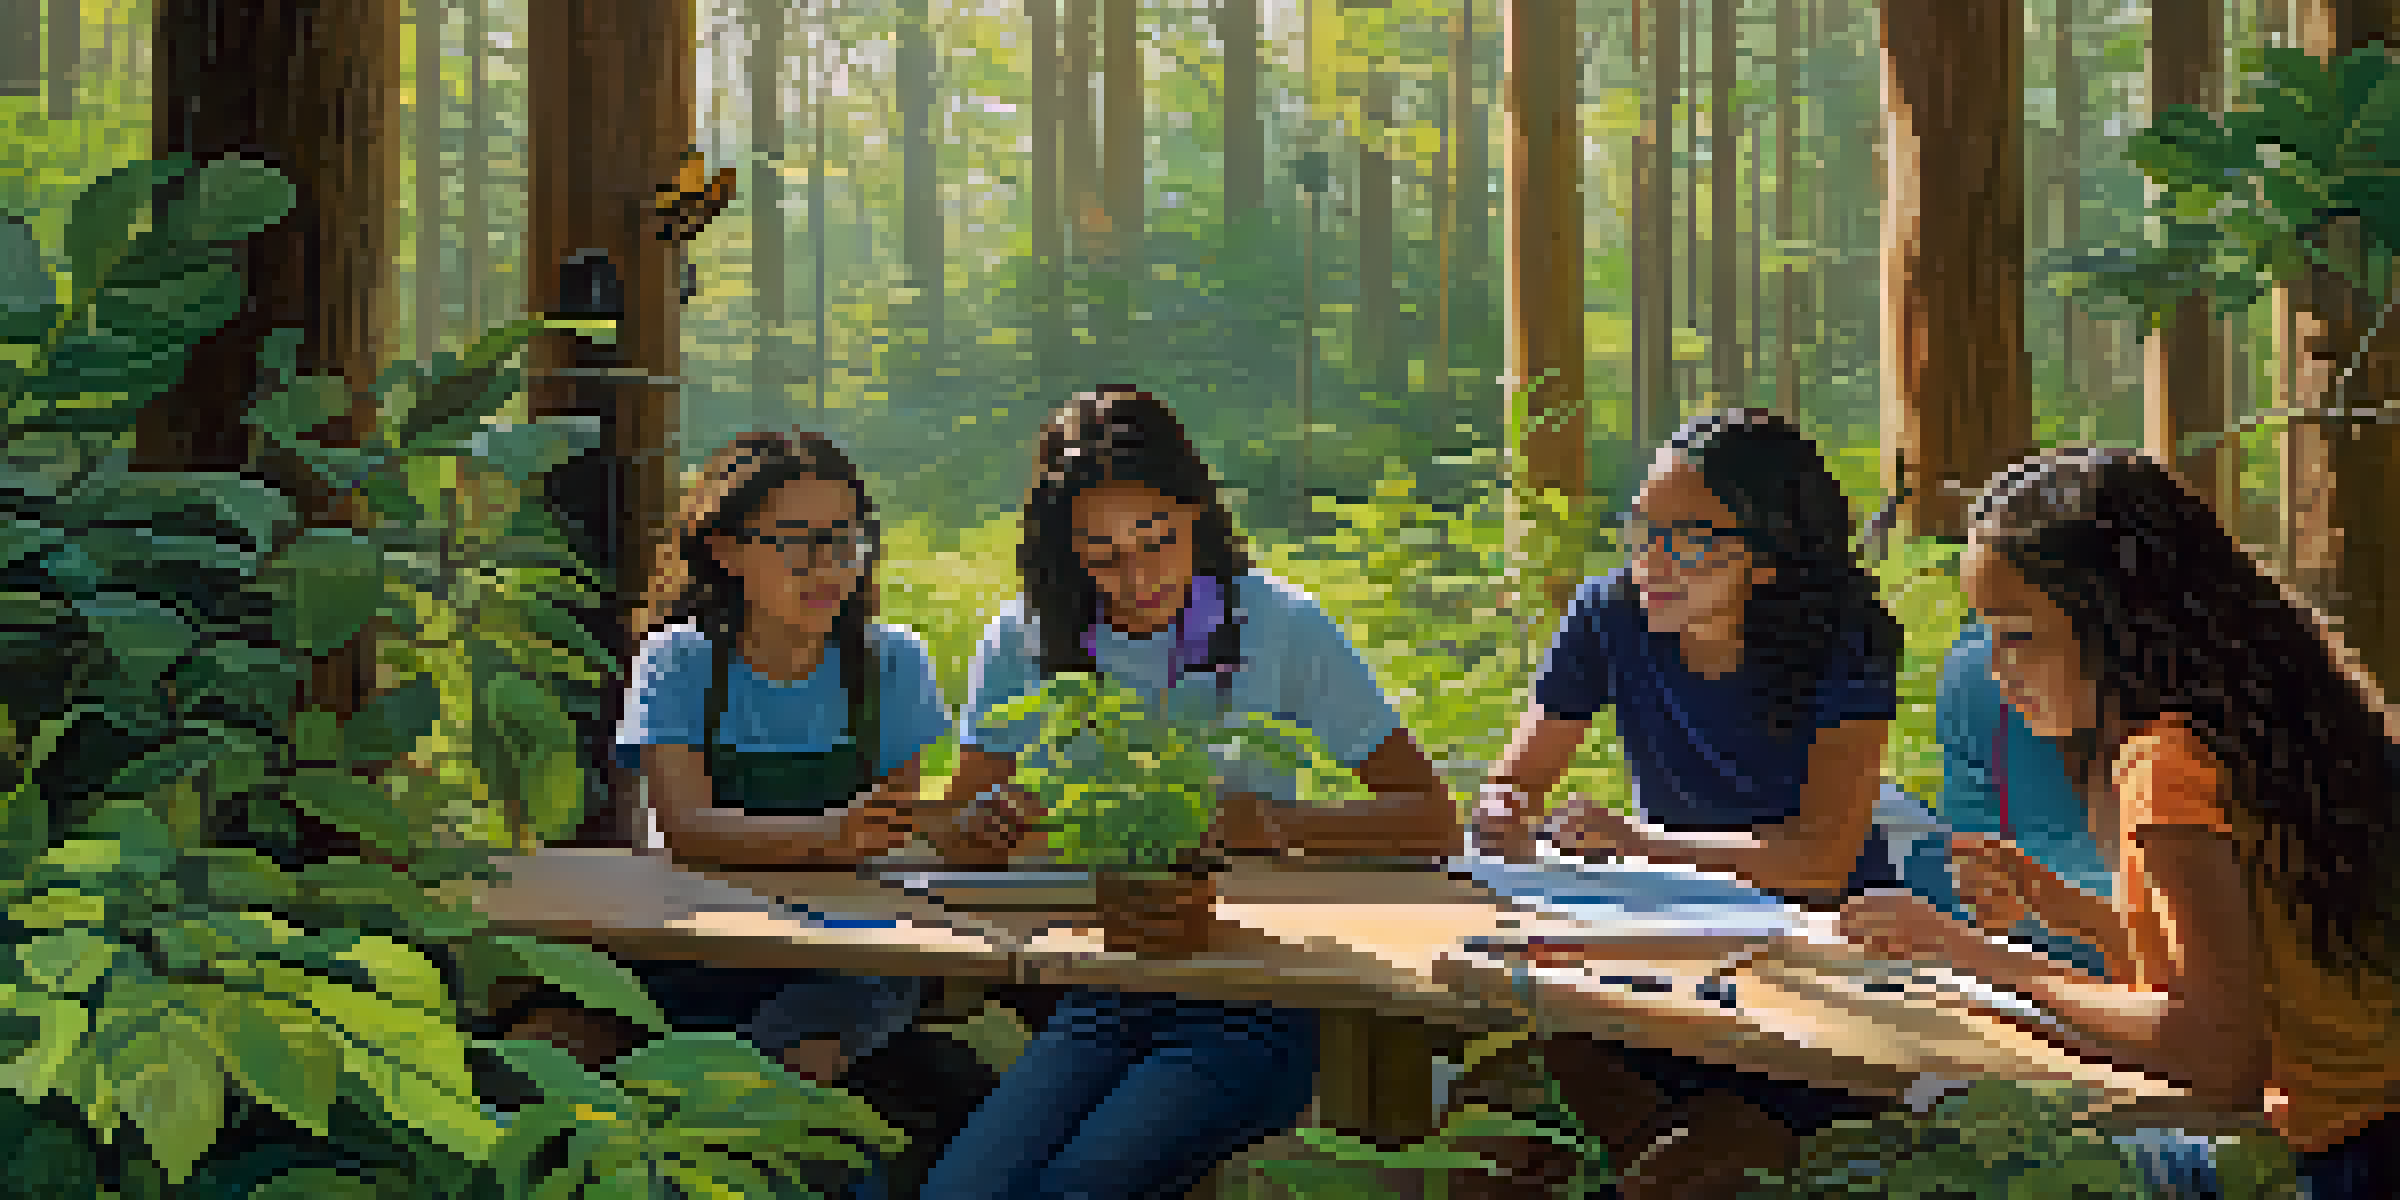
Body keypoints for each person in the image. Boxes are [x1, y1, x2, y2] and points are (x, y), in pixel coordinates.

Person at [917, 385, 1458, 1200]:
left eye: (1155, 540)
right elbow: (962, 837)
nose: (1135, 578)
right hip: (1103, 991)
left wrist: (1269, 822)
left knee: (1081, 1188)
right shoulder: (1027, 634)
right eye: (1100, 554)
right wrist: (990, 827)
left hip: (1253, 1000)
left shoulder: (1280, 624)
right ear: (1065, 550)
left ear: (1197, 512)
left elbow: (1430, 819)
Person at [1839, 447, 2400, 1199]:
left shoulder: (2165, 762)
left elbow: (2217, 1056)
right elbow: (2237, 969)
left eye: (2018, 635)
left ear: (2113, 622)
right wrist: (2067, 913)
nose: (1997, 670)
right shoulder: (2267, 712)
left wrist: (1974, 957)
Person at [498, 431, 994, 1198]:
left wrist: (956, 833)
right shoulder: (681, 660)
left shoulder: (892, 661)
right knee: (534, 1059)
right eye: (798, 543)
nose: (828, 566)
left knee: (785, 1074)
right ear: (727, 550)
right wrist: (830, 836)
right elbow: (688, 831)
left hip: (847, 956)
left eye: (846, 540)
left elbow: (887, 835)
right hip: (689, 945)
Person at [1460, 409, 1911, 1199]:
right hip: (1665, 955)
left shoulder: (1848, 639)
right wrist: (1502, 810)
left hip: (1816, 972)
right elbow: (1516, 781)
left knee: (1677, 1168)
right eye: (1641, 532)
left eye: (1691, 539)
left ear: (1769, 558)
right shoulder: (1607, 614)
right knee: (1485, 1140)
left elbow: (1818, 862)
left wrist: (1641, 843)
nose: (1652, 563)